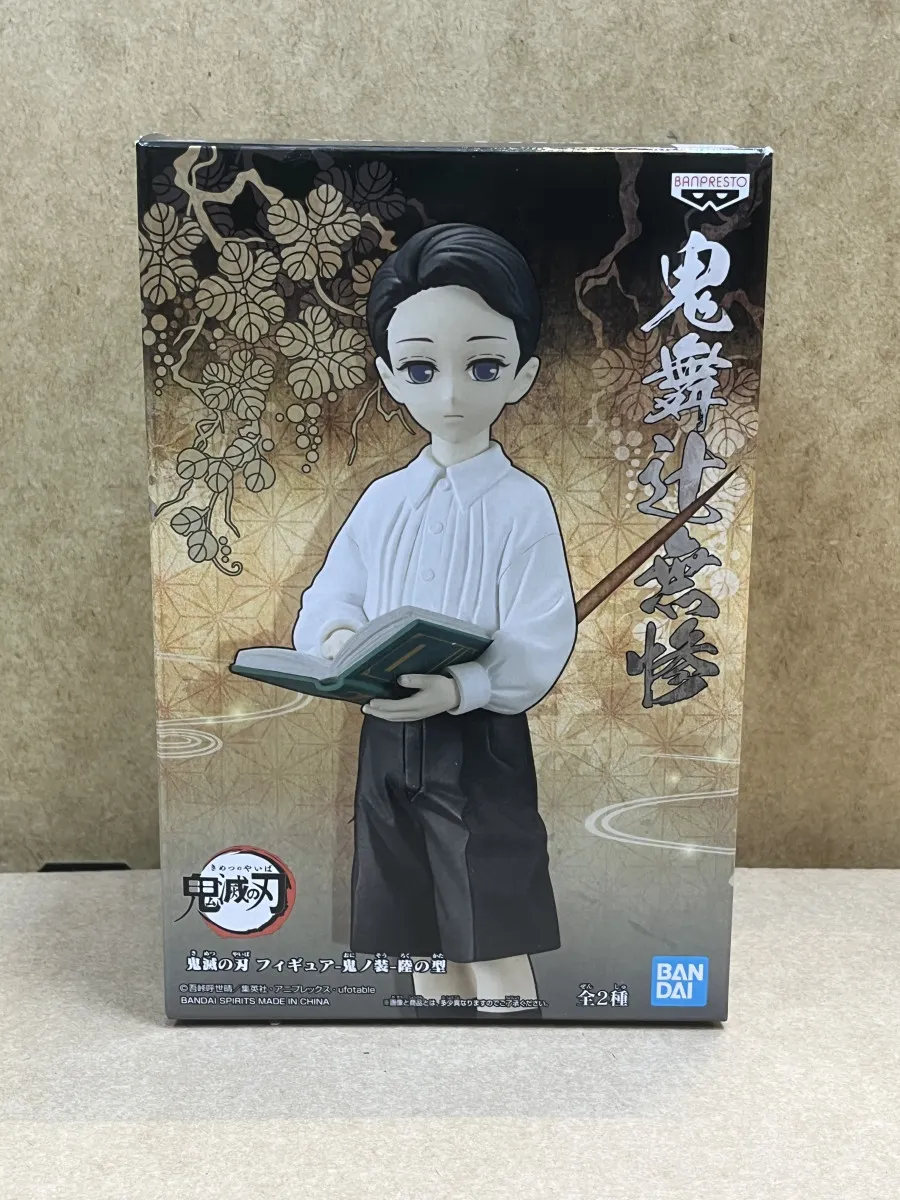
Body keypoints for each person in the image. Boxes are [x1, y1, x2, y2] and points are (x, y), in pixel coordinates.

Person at [291, 223, 577, 1014]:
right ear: (390, 375)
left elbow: (541, 632)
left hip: (478, 741)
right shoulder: (384, 501)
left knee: (489, 914)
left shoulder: (522, 505)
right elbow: (331, 596)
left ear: (521, 375)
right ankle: (433, 1046)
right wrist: (341, 644)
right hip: (385, 737)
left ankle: (511, 1053)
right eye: (422, 368)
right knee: (410, 916)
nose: (450, 394)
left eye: (482, 366)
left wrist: (462, 688)